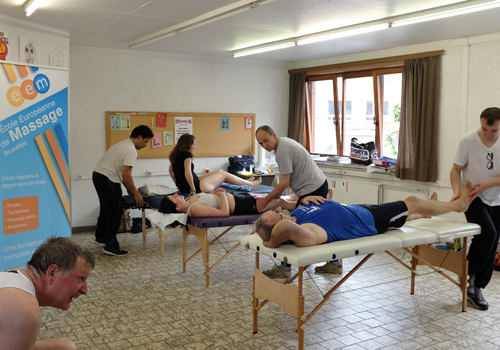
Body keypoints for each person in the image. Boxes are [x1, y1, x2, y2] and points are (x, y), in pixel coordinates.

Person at [255, 183, 473, 250]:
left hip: (360, 209)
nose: (278, 210)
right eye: (276, 215)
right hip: (370, 220)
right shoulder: (306, 233)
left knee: (407, 214)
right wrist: (272, 240)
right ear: (279, 227)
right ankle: (457, 205)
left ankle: (427, 209)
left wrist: (312, 200)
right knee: (413, 201)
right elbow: (283, 232)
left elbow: (286, 221)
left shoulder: (298, 215)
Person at [255, 125, 335, 276]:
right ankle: (335, 263)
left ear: (274, 135)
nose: (265, 146)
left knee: (295, 225)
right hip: (314, 187)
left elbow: (284, 182)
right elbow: (292, 178)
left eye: (266, 141)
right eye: (260, 144)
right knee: (318, 225)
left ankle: (284, 269)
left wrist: (265, 200)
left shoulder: (282, 151)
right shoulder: (284, 144)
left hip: (313, 190)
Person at [0, 236, 95, 350]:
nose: (85, 290)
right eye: (81, 278)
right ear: (53, 273)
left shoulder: (10, 278)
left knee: (65, 347)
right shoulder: (24, 309)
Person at [450, 107, 500, 311]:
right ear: (480, 123)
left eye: (494, 131)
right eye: (485, 129)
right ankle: (468, 273)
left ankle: (476, 286)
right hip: (472, 197)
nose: (488, 134)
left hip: (496, 198)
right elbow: (456, 169)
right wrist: (457, 192)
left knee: (493, 240)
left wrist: (487, 185)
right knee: (488, 234)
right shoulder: (468, 141)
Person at [93, 124, 154, 256]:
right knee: (115, 210)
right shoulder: (131, 150)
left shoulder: (123, 144)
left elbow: (123, 174)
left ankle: (102, 236)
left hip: (99, 176)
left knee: (107, 208)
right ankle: (111, 246)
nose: (145, 145)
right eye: (145, 141)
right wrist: (137, 194)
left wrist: (129, 189)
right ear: (139, 137)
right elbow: (126, 174)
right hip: (107, 178)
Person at [168, 134, 262, 196]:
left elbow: (171, 171)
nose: (195, 147)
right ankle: (251, 184)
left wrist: (178, 184)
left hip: (186, 186)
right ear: (188, 145)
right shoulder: (186, 155)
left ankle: (246, 183)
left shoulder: (175, 154)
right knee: (224, 175)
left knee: (220, 172)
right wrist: (193, 190)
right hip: (198, 187)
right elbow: (188, 173)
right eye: (194, 144)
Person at [158, 189, 323, 217]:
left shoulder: (188, 200)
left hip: (239, 198)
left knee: (273, 197)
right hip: (242, 206)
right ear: (178, 208)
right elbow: (224, 213)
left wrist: (216, 193)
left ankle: (296, 198)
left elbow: (211, 200)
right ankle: (314, 205)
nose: (175, 194)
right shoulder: (193, 209)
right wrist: (222, 195)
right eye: (173, 198)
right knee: (279, 202)